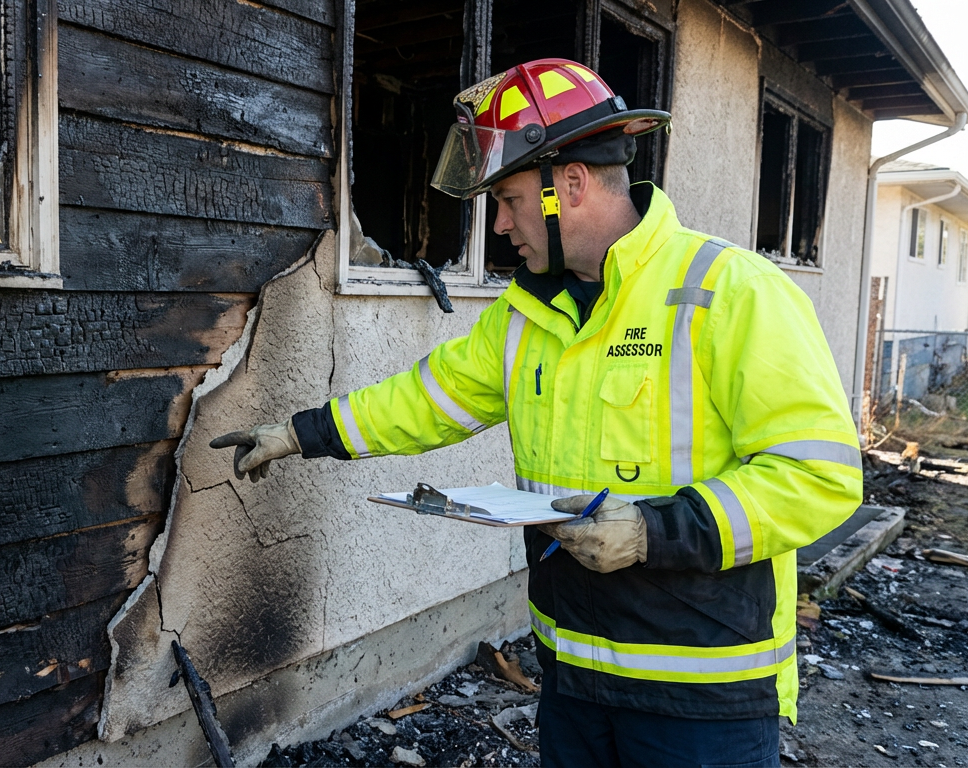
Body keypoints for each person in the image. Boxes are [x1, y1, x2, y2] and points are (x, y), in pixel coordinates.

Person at [211, 58, 862, 767]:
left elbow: (818, 477)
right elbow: (425, 400)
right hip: (574, 676)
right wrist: (298, 434)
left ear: (570, 186)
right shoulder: (528, 314)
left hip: (700, 695)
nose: (498, 224)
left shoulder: (731, 292)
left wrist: (651, 532)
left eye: (511, 199)